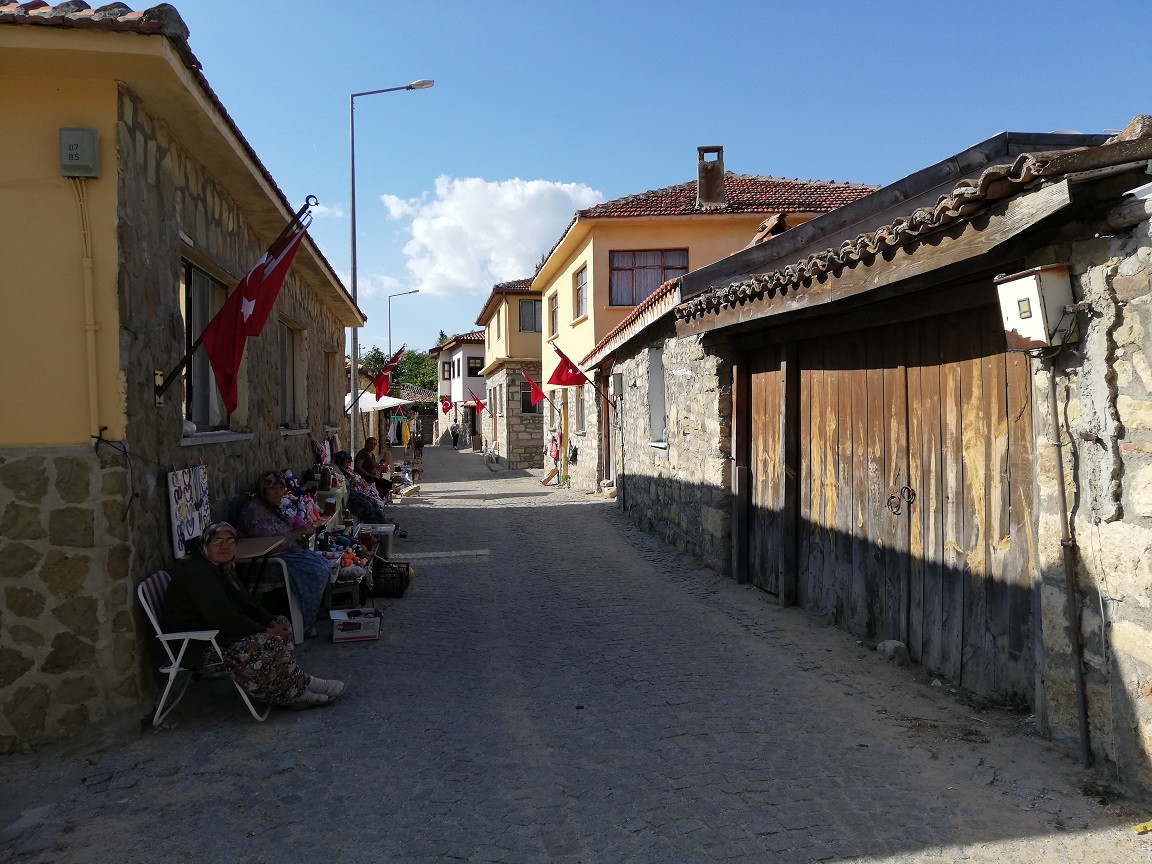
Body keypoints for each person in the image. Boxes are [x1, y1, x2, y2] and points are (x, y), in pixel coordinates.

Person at [162, 521, 345, 710]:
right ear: (205, 545)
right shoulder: (199, 575)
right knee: (269, 641)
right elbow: (224, 618)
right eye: (217, 541)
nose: (224, 546)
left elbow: (247, 602)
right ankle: (296, 691)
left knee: (282, 623)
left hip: (219, 635)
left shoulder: (219, 568)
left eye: (230, 541)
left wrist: (270, 621)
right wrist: (266, 630)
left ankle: (293, 684)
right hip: (199, 645)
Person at [237, 471, 333, 638]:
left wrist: (301, 532)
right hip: (266, 563)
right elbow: (267, 544)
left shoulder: (272, 508)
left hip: (284, 555)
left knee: (323, 563)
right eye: (273, 488)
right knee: (316, 571)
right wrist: (298, 532)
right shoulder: (255, 510)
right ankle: (304, 623)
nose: (278, 492)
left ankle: (311, 612)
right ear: (263, 489)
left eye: (281, 488)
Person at [333, 451, 389, 523]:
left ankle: (383, 520)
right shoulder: (336, 471)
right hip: (347, 497)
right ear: (340, 461)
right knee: (367, 506)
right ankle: (375, 523)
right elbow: (340, 488)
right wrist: (352, 485)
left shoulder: (345, 469)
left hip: (353, 493)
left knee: (373, 502)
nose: (348, 464)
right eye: (346, 462)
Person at [354, 436, 393, 503]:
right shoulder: (362, 454)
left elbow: (373, 466)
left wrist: (378, 470)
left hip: (372, 476)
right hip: (364, 477)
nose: (373, 446)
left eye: (374, 444)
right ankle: (377, 500)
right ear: (366, 444)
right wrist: (369, 475)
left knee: (387, 484)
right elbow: (358, 467)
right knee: (385, 484)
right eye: (371, 443)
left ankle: (378, 499)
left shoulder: (372, 454)